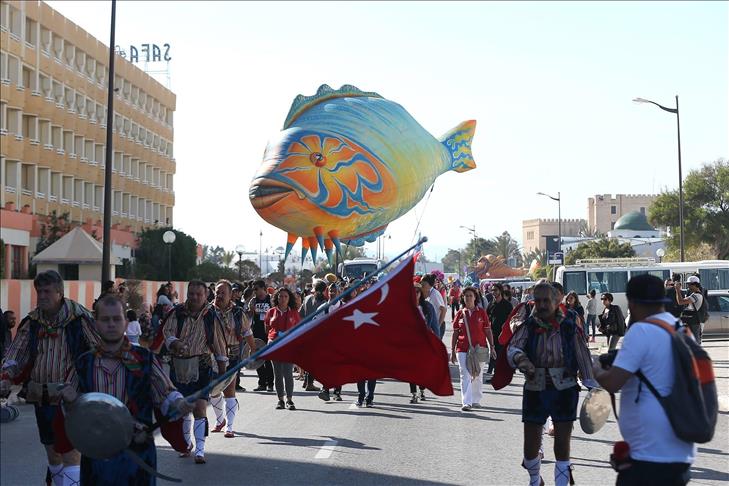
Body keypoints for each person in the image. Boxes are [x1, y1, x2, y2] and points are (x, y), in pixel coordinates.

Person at [59, 294, 192, 485]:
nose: (111, 324)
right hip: (97, 457)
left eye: (116, 319)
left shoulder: (144, 358)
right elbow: (70, 412)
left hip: (137, 457)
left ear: (126, 322)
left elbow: (165, 392)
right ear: (95, 323)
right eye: (105, 319)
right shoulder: (83, 363)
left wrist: (179, 402)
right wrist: (70, 400)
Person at [593, 274, 695, 486]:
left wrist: (595, 368)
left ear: (632, 302)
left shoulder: (641, 331)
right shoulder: (682, 330)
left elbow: (612, 383)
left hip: (650, 454)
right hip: (681, 450)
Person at [0, 270, 99, 486]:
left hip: (72, 397)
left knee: (70, 451)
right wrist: (6, 376)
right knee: (52, 451)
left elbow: (99, 349)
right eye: (39, 291)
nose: (42, 296)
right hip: (42, 395)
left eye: (47, 291)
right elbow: (16, 352)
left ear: (60, 292)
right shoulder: (32, 321)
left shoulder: (79, 319)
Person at [507, 282, 595, 486]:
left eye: (546, 300)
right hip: (535, 389)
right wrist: (521, 360)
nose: (542, 305)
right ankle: (536, 480)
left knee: (562, 445)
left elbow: (582, 353)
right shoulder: (529, 324)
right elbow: (513, 347)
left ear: (557, 301)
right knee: (530, 449)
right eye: (538, 301)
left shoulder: (570, 323)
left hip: (564, 389)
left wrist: (592, 384)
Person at [156, 280, 229, 464]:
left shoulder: (211, 316)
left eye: (199, 294)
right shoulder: (176, 312)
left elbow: (219, 344)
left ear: (206, 296)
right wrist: (175, 342)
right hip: (178, 366)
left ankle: (200, 450)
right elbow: (167, 332)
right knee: (183, 409)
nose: (195, 297)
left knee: (199, 407)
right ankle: (186, 444)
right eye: (192, 294)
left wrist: (223, 371)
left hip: (202, 366)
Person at [209, 280, 257, 437]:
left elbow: (247, 332)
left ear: (230, 295)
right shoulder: (208, 311)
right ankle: (219, 420)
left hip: (233, 354)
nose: (219, 295)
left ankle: (229, 426)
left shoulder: (238, 313)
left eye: (223, 293)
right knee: (213, 391)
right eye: (217, 292)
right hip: (212, 356)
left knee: (230, 390)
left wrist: (254, 350)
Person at [451, 286, 494, 411]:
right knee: (465, 374)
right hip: (462, 348)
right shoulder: (459, 314)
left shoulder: (481, 313)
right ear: (463, 298)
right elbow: (455, 333)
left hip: (479, 348)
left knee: (477, 374)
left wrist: (492, 346)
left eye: (471, 295)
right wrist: (453, 350)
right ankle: (466, 402)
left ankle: (476, 400)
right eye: (466, 296)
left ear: (475, 298)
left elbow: (487, 330)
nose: (468, 298)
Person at [265, 288, 301, 410]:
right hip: (273, 345)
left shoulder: (294, 312)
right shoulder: (270, 312)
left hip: (288, 346)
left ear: (289, 298)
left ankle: (289, 399)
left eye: (285, 296)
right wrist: (272, 339)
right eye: (280, 296)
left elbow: (298, 330)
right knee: (278, 374)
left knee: (288, 373)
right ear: (277, 298)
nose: (283, 299)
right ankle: (280, 399)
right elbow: (268, 328)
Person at [408, 283, 440, 403]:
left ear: (420, 294)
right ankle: (414, 394)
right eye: (413, 292)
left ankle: (422, 390)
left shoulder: (427, 307)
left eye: (417, 292)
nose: (415, 295)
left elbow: (434, 325)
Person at [317, 284, 345, 402]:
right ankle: (325, 390)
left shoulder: (346, 307)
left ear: (339, 292)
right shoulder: (322, 308)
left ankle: (337, 392)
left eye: (335, 291)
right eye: (330, 291)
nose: (332, 293)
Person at [300, 280, 327, 392]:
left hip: (306, 330)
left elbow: (300, 314)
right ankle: (309, 383)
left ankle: (307, 381)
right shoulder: (325, 302)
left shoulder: (307, 299)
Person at [248, 280, 274, 392]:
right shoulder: (253, 300)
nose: (255, 291)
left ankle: (270, 384)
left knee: (268, 359)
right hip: (257, 331)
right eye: (254, 289)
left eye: (257, 288)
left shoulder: (271, 299)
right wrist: (251, 309)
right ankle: (261, 383)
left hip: (268, 332)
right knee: (257, 358)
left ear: (263, 288)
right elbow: (248, 315)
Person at [486, 283, 513, 377]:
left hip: (504, 334)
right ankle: (492, 372)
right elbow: (486, 319)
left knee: (500, 353)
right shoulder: (491, 304)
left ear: (500, 291)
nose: (494, 292)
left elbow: (512, 319)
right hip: (493, 333)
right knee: (493, 352)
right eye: (492, 290)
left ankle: (497, 373)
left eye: (496, 290)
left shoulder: (507, 305)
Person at [675, 276, 704, 344]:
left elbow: (680, 302)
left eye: (689, 284)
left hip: (694, 323)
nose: (688, 286)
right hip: (691, 321)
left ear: (695, 284)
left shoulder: (697, 296)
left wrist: (678, 290)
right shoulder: (694, 294)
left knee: (694, 342)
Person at [421, 274, 446, 338]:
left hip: (438, 324)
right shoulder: (427, 293)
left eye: (423, 284)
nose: (421, 285)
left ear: (429, 284)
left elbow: (444, 309)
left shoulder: (434, 294)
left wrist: (438, 325)